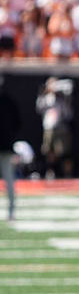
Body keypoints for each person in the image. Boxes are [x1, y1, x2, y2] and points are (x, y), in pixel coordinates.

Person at [35, 77, 74, 179]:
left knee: (65, 152)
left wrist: (62, 95)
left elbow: (68, 113)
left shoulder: (62, 98)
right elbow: (39, 108)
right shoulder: (46, 98)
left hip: (62, 127)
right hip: (49, 128)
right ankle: (50, 172)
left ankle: (67, 174)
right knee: (49, 151)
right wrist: (45, 92)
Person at [0, 75, 21, 221]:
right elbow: (18, 123)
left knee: (9, 179)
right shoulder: (9, 102)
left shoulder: (8, 102)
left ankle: (12, 211)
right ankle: (11, 211)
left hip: (6, 145)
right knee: (9, 179)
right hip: (6, 145)